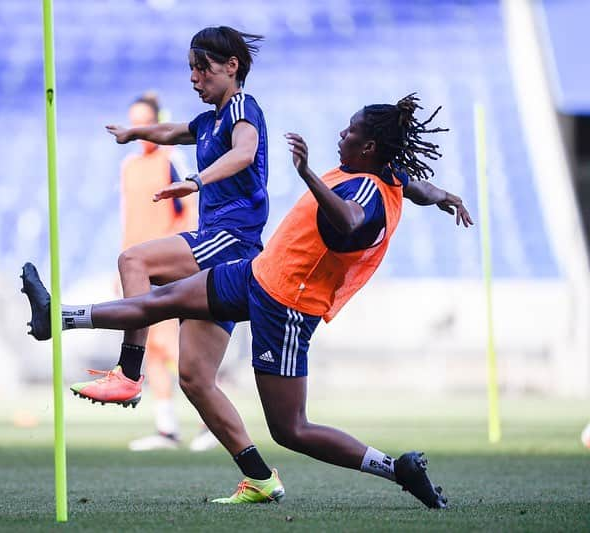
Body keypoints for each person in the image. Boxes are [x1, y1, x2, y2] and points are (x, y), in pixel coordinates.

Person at [45, 94, 473, 507]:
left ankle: (395, 469)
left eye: (352, 130)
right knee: (163, 300)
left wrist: (305, 172)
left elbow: (348, 220)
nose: (342, 133)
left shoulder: (366, 190)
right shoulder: (387, 176)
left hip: (286, 305)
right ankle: (59, 317)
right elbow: (415, 186)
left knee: (292, 430)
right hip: (257, 274)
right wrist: (445, 197)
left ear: (369, 147)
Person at [23, 26, 274, 474]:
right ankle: (260, 477)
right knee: (195, 380)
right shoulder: (210, 118)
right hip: (228, 252)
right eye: (190, 70)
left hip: (231, 240)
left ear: (232, 67)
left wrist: (196, 180)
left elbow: (243, 152)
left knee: (133, 260)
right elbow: (173, 130)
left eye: (203, 68)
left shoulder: (241, 107)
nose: (194, 78)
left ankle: (128, 373)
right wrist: (134, 131)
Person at [116, 91, 213, 451]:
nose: (138, 128)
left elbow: (187, 212)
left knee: (172, 347)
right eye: (134, 120)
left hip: (167, 266)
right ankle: (167, 427)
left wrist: (184, 263)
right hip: (138, 267)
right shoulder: (129, 167)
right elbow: (130, 220)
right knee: (151, 349)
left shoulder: (170, 160)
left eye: (145, 120)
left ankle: (209, 422)